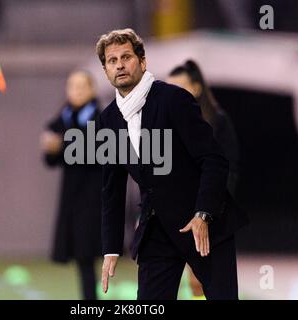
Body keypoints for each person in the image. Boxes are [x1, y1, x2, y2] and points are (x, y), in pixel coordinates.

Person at [96, 29, 248, 300]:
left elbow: (213, 159)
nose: (119, 64)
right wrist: (110, 250)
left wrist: (203, 214)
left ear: (142, 62)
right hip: (157, 231)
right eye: (112, 60)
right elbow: (112, 190)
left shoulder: (173, 100)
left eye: (126, 57)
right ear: (106, 70)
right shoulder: (108, 121)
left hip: (204, 226)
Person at [166, 59, 240, 300]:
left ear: (196, 88)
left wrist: (209, 211)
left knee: (210, 285)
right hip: (177, 216)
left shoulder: (217, 120)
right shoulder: (165, 124)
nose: (173, 94)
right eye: (169, 88)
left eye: (180, 87)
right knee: (180, 283)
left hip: (210, 217)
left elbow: (229, 169)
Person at [40, 70, 102, 300]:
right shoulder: (63, 117)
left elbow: (94, 152)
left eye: (81, 86)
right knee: (81, 256)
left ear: (92, 89)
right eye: (71, 86)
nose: (76, 91)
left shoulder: (100, 118)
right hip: (72, 197)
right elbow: (50, 159)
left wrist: (62, 145)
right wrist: (50, 147)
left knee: (88, 254)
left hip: (94, 198)